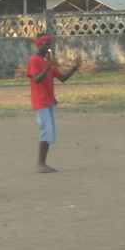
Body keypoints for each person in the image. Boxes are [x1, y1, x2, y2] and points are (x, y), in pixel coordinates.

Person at [26, 33, 82, 173]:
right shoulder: (34, 60)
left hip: (49, 101)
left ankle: (43, 163)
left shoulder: (48, 60)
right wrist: (47, 67)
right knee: (46, 130)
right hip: (40, 101)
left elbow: (62, 78)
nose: (49, 46)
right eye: (47, 43)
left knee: (50, 132)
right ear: (39, 44)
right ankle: (40, 164)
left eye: (50, 43)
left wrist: (74, 67)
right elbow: (36, 79)